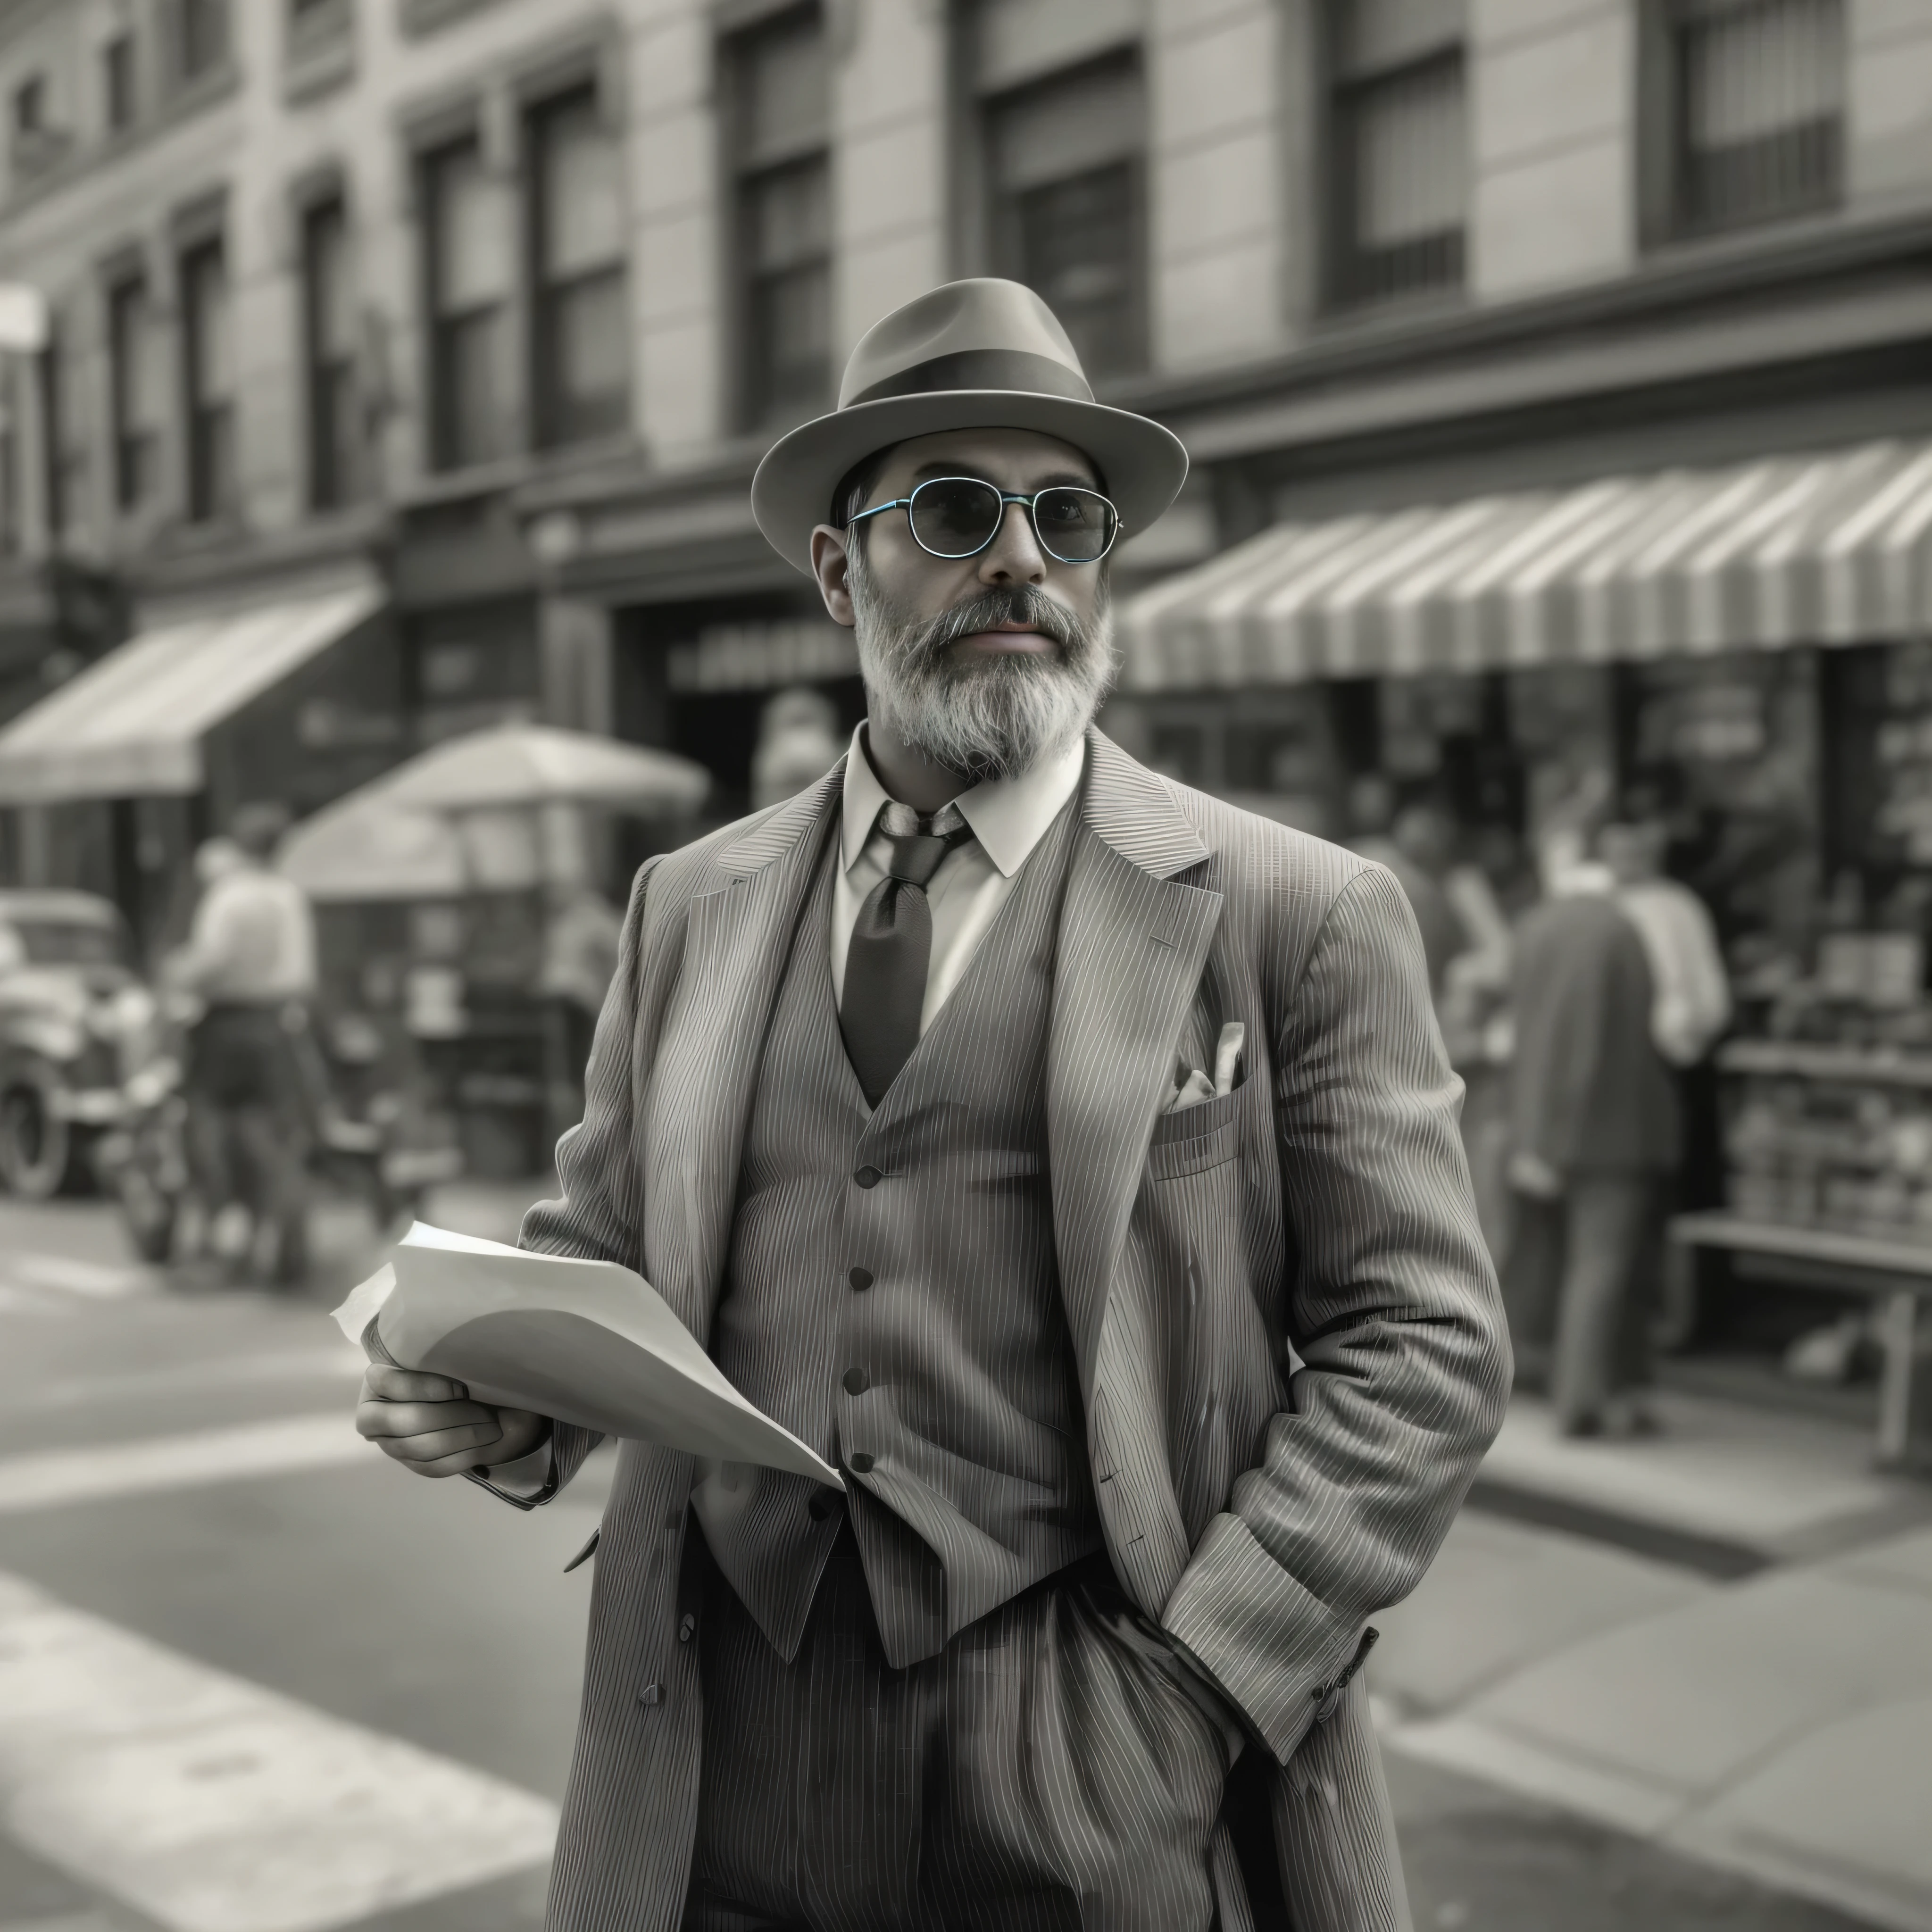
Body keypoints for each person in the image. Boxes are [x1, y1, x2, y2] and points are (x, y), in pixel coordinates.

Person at [355, 279, 1508, 1932]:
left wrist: (1193, 1686)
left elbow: (1423, 1345)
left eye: (1067, 515)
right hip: (725, 1752)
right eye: (957, 511)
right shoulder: (691, 902)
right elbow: (608, 1270)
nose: (1023, 561)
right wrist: (496, 1403)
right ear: (839, 568)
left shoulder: (1289, 908)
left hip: (1098, 1765)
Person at [1504, 847, 1680, 1437]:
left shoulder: (1531, 928)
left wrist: (1538, 1133)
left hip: (1541, 1123)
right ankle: (1580, 1398)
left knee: (1564, 1263)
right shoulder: (1618, 930)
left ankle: (1595, 1386)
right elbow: (1604, 1034)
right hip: (1612, 1128)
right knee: (1601, 1267)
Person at [167, 801, 319, 1285]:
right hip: (277, 1026)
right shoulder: (288, 895)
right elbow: (302, 972)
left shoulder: (230, 897)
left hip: (226, 1027)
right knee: (274, 1138)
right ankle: (285, 1243)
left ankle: (218, 1242)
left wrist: (177, 972)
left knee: (208, 1133)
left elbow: (212, 960)